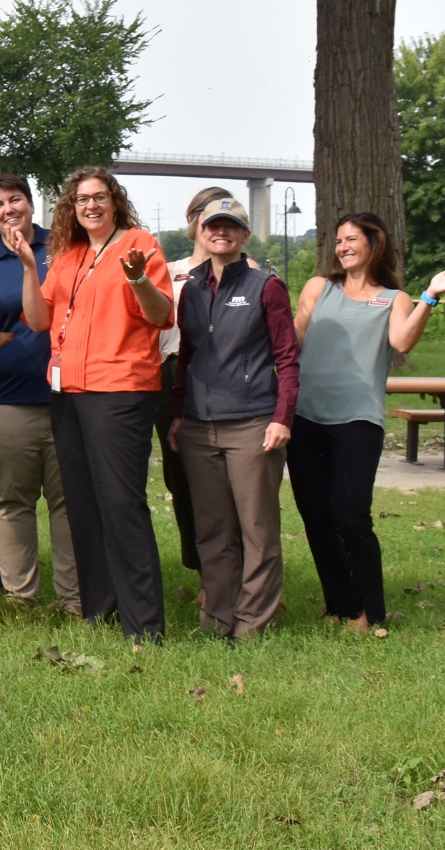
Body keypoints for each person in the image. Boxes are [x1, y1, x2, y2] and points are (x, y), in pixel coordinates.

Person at [8, 166, 174, 642]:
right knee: (83, 506)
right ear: (71, 209)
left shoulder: (139, 244)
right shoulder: (67, 256)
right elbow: (38, 320)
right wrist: (27, 266)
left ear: (115, 201)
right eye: (82, 200)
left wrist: (139, 279)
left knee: (121, 504)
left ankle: (143, 624)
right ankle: (99, 609)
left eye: (100, 197)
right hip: (68, 394)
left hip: (119, 390)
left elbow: (162, 314)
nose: (91, 206)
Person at [291, 213, 445, 631]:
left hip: (357, 418)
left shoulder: (394, 299)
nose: (343, 247)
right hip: (305, 416)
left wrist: (430, 295)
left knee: (350, 514)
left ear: (374, 244)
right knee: (316, 516)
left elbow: (402, 341)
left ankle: (369, 609)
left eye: (352, 239)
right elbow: (294, 336)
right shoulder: (319, 288)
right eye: (338, 241)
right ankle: (339, 604)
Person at [169, 198, 301, 638]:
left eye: (231, 226)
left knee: (256, 527)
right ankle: (218, 617)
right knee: (212, 528)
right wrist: (176, 415)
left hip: (252, 423)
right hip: (198, 425)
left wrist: (282, 417)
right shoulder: (191, 288)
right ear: (199, 232)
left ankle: (252, 620)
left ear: (244, 235)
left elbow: (287, 357)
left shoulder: (267, 287)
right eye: (212, 225)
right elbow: (185, 355)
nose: (220, 232)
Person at [0, 175, 78, 610]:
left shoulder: (63, 247)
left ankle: (73, 596)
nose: (8, 209)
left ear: (31, 204)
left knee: (68, 502)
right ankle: (20, 596)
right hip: (3, 399)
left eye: (16, 200)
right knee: (10, 502)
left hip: (66, 396)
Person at [156, 186, 241, 589]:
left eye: (225, 219)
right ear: (192, 222)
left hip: (226, 378)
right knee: (181, 478)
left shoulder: (248, 270)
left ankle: (236, 570)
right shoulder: (169, 269)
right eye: (205, 217)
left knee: (227, 478)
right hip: (171, 373)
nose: (214, 226)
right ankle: (204, 570)